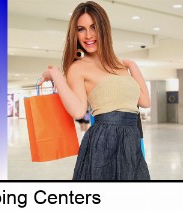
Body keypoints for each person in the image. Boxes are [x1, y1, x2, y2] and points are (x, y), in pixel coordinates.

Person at [38, 1, 150, 180]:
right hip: (103, 143)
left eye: (94, 27)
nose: (88, 35)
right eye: (81, 29)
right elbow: (78, 110)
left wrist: (132, 65)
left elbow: (145, 101)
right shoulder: (78, 67)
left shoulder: (123, 65)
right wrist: (56, 75)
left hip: (131, 141)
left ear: (104, 28)